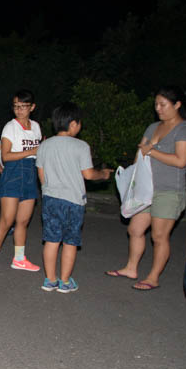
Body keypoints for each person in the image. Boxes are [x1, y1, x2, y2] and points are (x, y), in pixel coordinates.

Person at [106, 87, 186, 290]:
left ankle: (153, 277)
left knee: (159, 236)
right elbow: (141, 151)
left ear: (177, 105)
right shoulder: (153, 127)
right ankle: (131, 268)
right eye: (156, 104)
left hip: (169, 190)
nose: (158, 108)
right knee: (135, 229)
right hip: (146, 189)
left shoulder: (184, 130)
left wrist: (153, 152)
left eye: (163, 104)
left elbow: (181, 161)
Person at [36, 103, 113, 292]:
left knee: (51, 240)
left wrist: (48, 190)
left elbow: (41, 175)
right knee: (70, 241)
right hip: (73, 200)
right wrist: (103, 174)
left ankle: (50, 280)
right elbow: (88, 174)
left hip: (51, 198)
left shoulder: (45, 145)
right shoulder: (81, 146)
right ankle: (65, 281)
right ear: (73, 124)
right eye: (79, 123)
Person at [0, 90, 43, 276]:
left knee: (23, 221)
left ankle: (19, 259)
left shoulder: (36, 127)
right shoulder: (10, 127)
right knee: (7, 220)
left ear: (32, 107)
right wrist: (32, 150)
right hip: (13, 173)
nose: (19, 110)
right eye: (16, 106)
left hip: (30, 174)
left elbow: (39, 154)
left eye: (23, 106)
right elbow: (7, 156)